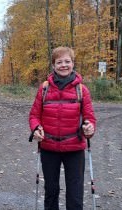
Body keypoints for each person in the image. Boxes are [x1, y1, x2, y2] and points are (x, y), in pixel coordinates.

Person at [29, 46, 96, 210]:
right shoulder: (44, 89)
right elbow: (34, 116)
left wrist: (90, 127)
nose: (64, 65)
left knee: (75, 195)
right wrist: (36, 128)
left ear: (73, 64)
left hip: (74, 148)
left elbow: (90, 118)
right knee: (51, 192)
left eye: (67, 61)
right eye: (59, 62)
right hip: (49, 148)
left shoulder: (82, 90)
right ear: (53, 65)